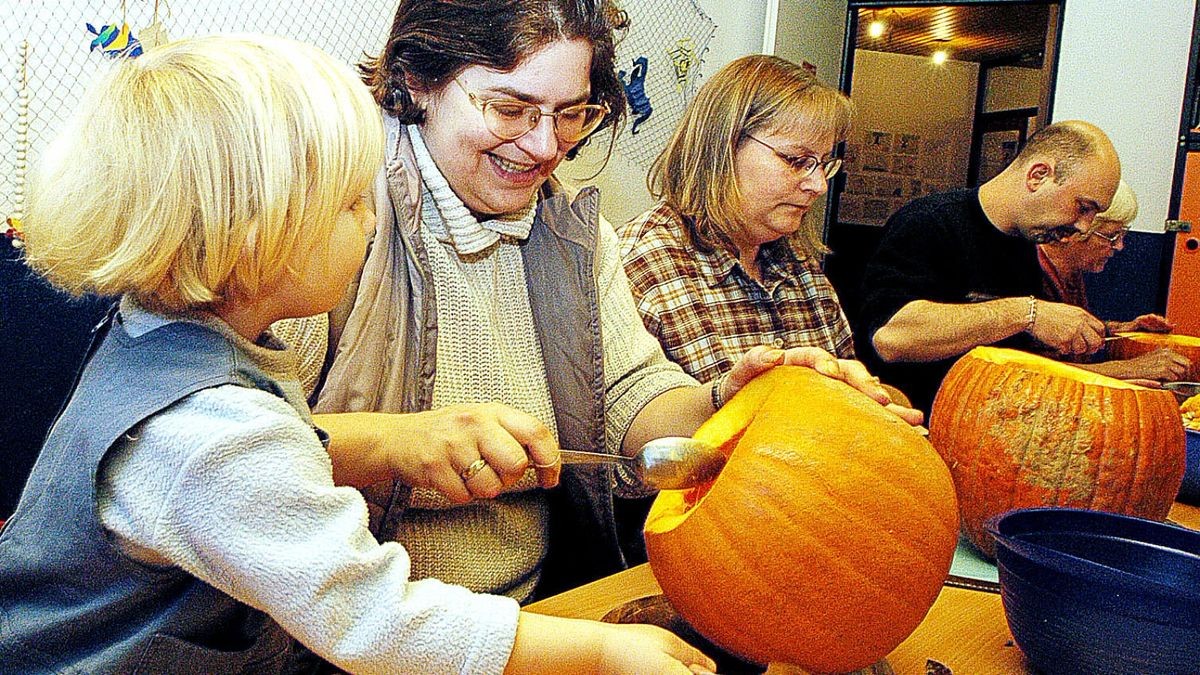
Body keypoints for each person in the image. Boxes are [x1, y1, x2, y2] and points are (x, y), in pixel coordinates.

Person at [0, 34, 716, 674]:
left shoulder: (169, 341)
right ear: (257, 236)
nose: (373, 218)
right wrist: (600, 652)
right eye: (350, 204)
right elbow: (377, 622)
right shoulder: (214, 434)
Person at [278, 0, 913, 605]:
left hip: (538, 607)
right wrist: (393, 443)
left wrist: (733, 403)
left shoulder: (575, 236)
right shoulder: (330, 209)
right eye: (510, 109)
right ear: (417, 80)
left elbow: (628, 394)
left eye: (571, 114)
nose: (545, 147)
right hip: (355, 628)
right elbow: (234, 443)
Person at [619, 54, 858, 387]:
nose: (819, 186)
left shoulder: (798, 264)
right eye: (796, 160)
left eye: (822, 164)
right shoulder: (641, 267)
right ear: (722, 149)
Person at [856, 120, 1121, 415]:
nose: (1084, 225)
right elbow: (891, 338)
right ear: (1038, 175)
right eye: (1083, 207)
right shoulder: (928, 223)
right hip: (909, 423)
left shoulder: (1023, 246)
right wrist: (1028, 314)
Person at [1038, 179, 1190, 381]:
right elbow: (1029, 369)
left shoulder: (1071, 274)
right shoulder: (1029, 273)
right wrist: (1128, 369)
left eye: (1123, 235)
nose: (1119, 246)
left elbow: (1060, 335)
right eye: (1111, 236)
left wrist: (1118, 329)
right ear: (1075, 232)